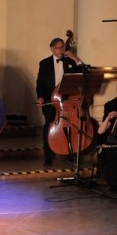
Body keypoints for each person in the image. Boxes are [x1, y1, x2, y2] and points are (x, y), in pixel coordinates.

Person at [35, 37, 83, 166]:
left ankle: (69, 152)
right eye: (57, 48)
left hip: (67, 100)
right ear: (52, 49)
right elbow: (40, 83)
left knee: (70, 125)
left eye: (62, 47)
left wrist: (75, 58)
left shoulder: (70, 61)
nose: (60, 50)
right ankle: (48, 156)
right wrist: (40, 97)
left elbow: (82, 72)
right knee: (49, 126)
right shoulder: (44, 63)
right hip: (50, 100)